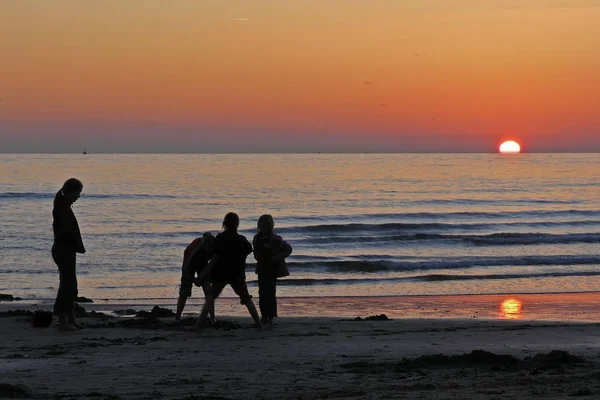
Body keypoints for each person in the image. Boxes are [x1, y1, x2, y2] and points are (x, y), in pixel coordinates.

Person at [194, 212, 262, 329]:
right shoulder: (242, 240)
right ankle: (258, 323)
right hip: (237, 273)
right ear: (237, 225)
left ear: (224, 224)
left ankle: (199, 325)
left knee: (211, 298)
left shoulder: (220, 238)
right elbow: (249, 250)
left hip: (221, 274)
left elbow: (214, 258)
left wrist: (202, 275)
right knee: (246, 298)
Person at [52, 178, 86, 330]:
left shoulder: (63, 204)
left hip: (65, 249)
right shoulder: (63, 207)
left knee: (71, 284)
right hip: (64, 249)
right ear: (71, 192)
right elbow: (64, 231)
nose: (79, 196)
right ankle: (63, 321)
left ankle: (71, 318)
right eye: (78, 193)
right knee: (67, 284)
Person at [252, 214, 293, 325]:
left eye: (265, 225)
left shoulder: (275, 239)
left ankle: (270, 316)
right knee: (261, 293)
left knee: (269, 293)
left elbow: (288, 249)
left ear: (270, 226)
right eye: (261, 225)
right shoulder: (257, 238)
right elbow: (255, 249)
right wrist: (256, 256)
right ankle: (264, 315)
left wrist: (277, 257)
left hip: (271, 269)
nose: (262, 227)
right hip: (261, 268)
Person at [175, 232, 215, 322]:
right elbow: (187, 269)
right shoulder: (194, 252)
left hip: (203, 263)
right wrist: (194, 280)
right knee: (184, 291)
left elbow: (210, 265)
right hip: (189, 262)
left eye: (211, 247)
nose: (210, 249)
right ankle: (177, 317)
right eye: (208, 247)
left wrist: (201, 278)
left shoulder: (215, 248)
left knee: (208, 291)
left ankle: (213, 318)